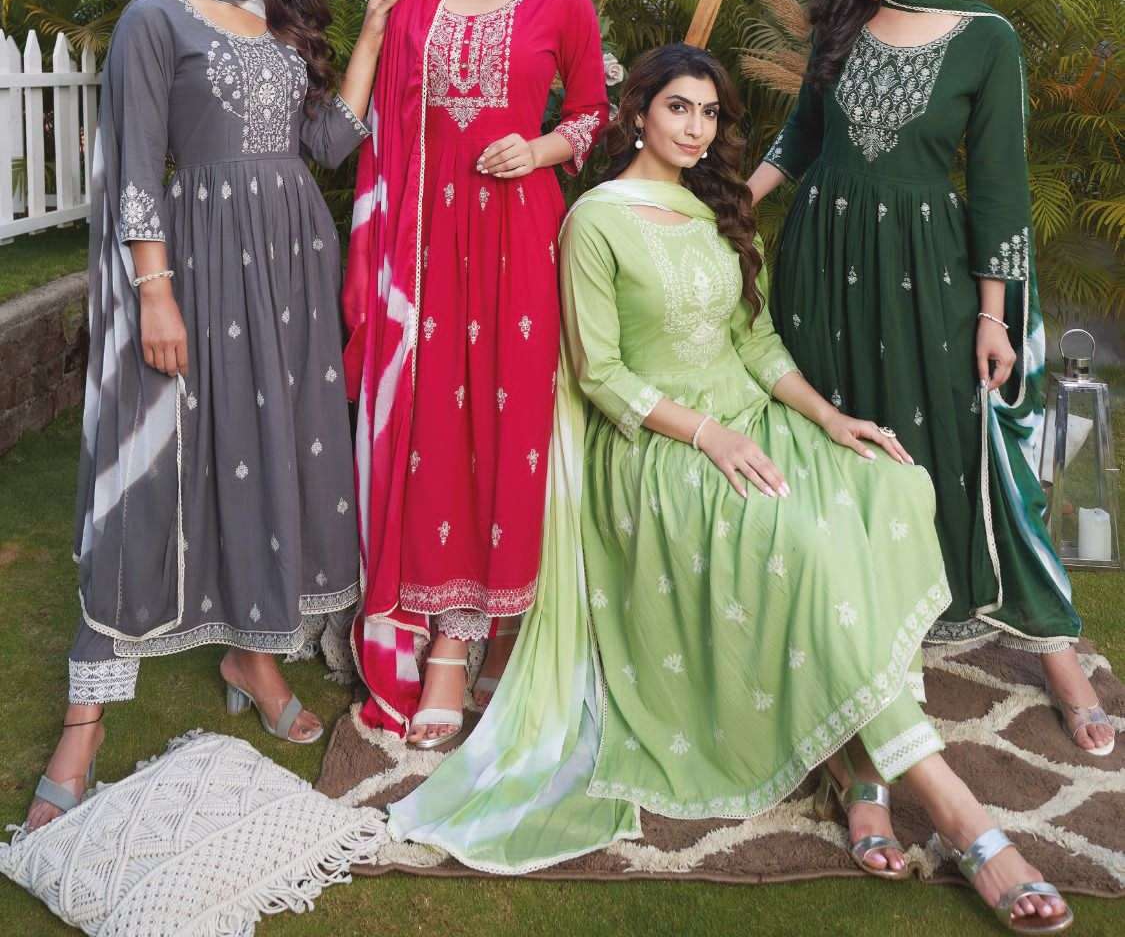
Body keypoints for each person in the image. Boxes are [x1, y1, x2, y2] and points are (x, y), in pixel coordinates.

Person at [389, 45, 1072, 931]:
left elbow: (756, 342)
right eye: (678, 107)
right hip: (658, 446)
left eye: (709, 114)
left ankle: (859, 764)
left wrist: (831, 419)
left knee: (891, 488)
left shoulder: (716, 210)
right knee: (801, 542)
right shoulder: (596, 220)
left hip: (754, 417)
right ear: (637, 113)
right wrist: (706, 436)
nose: (695, 128)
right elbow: (600, 374)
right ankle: (957, 815)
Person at [26, 0, 403, 831]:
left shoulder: (283, 24)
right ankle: (83, 725)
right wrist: (154, 292)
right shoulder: (156, 17)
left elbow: (329, 144)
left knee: (273, 452)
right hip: (198, 264)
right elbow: (131, 163)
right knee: (151, 468)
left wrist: (365, 39)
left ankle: (254, 657)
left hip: (291, 268)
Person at [750, 0, 1112, 762]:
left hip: (923, 265)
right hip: (822, 258)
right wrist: (724, 206)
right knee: (838, 434)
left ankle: (1054, 648)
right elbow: (799, 139)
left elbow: (998, 186)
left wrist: (992, 317)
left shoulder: (986, 39)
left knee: (967, 440)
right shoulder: (842, 23)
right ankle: (867, 618)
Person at [343, 0, 608, 744]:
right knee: (433, 429)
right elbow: (373, 130)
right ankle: (445, 642)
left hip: (519, 237)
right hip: (423, 251)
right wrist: (371, 37)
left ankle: (496, 623)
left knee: (511, 419)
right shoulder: (414, 8)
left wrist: (538, 150)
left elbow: (592, 111)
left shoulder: (560, 1)